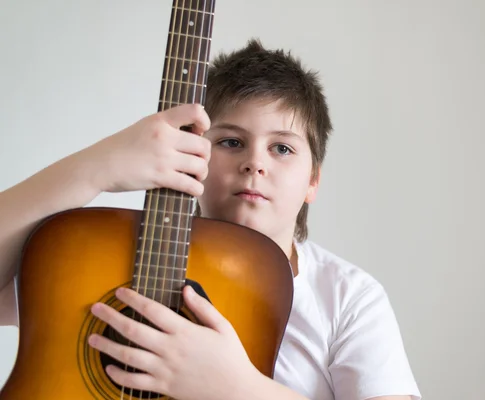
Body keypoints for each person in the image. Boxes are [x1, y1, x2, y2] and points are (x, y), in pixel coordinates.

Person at [0, 39, 421, 400]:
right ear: (191, 155)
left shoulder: (348, 299)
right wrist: (95, 167)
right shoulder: (108, 260)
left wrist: (239, 387)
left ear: (313, 182)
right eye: (231, 141)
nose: (254, 162)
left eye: (282, 149)